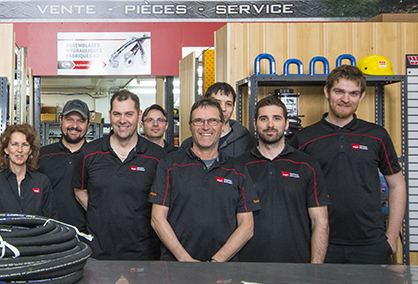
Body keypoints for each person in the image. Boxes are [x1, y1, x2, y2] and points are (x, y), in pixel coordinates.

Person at [290, 65, 406, 264]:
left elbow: (397, 184)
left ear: (361, 96)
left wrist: (392, 236)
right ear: (327, 91)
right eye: (339, 91)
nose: (345, 99)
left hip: (371, 243)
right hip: (321, 243)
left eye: (353, 93)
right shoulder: (304, 139)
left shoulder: (376, 136)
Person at [149, 98, 259, 262]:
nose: (205, 127)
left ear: (222, 126)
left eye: (212, 121)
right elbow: (157, 219)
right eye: (199, 121)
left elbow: (247, 226)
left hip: (224, 270)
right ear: (190, 126)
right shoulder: (170, 165)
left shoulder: (238, 170)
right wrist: (185, 260)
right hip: (176, 268)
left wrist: (217, 261)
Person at [236, 95, 329, 264]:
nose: (270, 125)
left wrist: (317, 268)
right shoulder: (240, 166)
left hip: (297, 265)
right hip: (247, 265)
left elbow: (320, 221)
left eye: (276, 118)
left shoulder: (307, 165)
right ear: (255, 123)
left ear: (286, 124)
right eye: (264, 119)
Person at [74, 90, 165, 259]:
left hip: (143, 251)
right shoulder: (88, 153)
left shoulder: (157, 157)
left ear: (139, 115)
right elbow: (79, 190)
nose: (122, 120)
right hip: (99, 250)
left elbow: (164, 202)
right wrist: (100, 211)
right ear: (110, 115)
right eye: (117, 114)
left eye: (129, 114)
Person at [0, 124, 57, 218]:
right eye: (14, 144)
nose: (19, 150)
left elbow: (51, 220)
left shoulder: (42, 182)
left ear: (30, 150)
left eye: (25, 145)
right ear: (6, 149)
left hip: (36, 233)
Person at [37, 99, 90, 230]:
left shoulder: (95, 156)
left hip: (85, 233)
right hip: (50, 232)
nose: (74, 125)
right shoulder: (43, 155)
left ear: (88, 124)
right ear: (61, 120)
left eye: (81, 121)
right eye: (69, 119)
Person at [179, 82, 254, 160]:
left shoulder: (248, 142)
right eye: (217, 103)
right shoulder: (188, 144)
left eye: (228, 104)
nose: (223, 108)